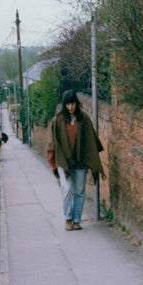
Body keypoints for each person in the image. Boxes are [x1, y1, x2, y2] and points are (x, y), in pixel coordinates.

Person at [47, 90, 106, 231]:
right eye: (67, 104)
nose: (70, 107)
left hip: (80, 161)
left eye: (72, 103)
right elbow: (52, 143)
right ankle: (68, 219)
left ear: (76, 103)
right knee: (67, 189)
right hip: (63, 161)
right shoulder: (58, 120)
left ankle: (76, 220)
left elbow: (90, 140)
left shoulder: (83, 119)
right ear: (64, 105)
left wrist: (91, 161)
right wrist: (52, 162)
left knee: (79, 191)